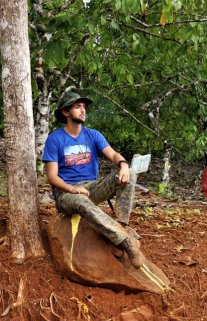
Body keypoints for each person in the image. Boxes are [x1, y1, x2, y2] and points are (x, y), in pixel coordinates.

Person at [42, 91, 145, 268]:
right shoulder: (55, 139)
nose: (83, 111)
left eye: (84, 107)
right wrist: (72, 189)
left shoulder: (93, 135)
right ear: (66, 112)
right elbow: (51, 176)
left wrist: (124, 165)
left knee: (130, 173)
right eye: (77, 107)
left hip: (91, 187)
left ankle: (122, 226)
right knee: (81, 200)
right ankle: (125, 242)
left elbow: (112, 154)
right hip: (66, 193)